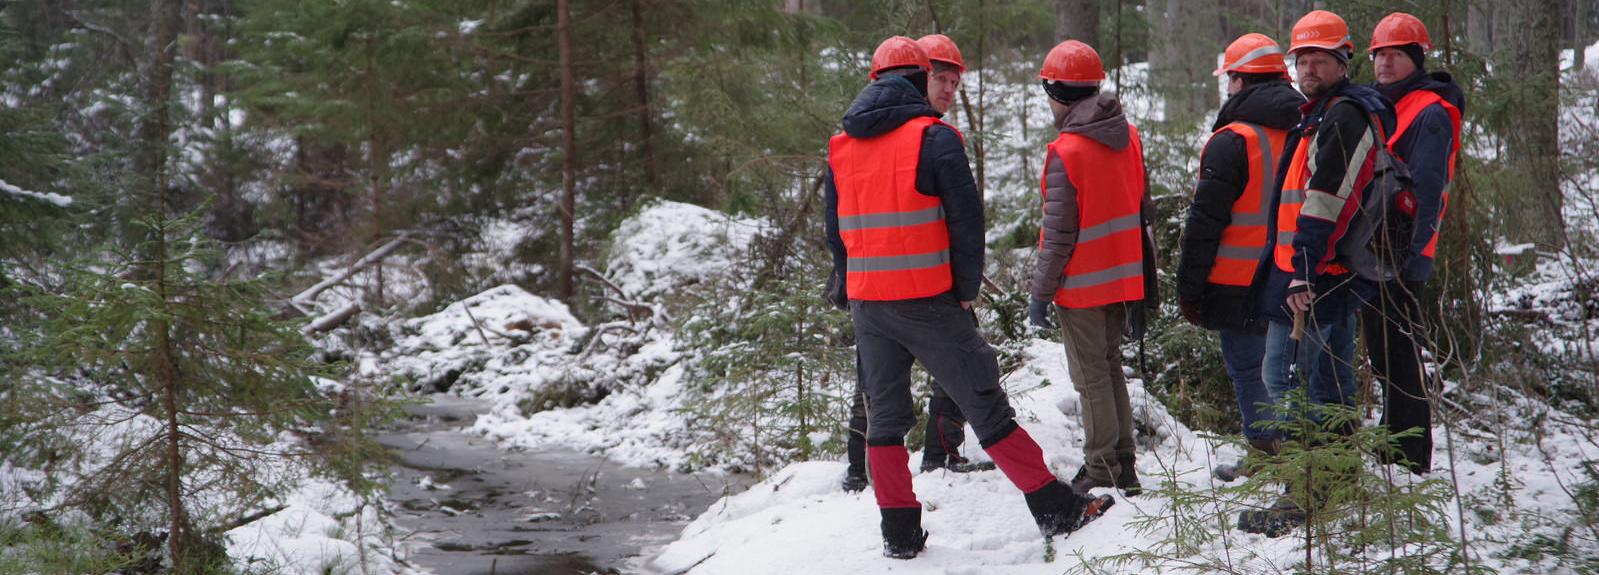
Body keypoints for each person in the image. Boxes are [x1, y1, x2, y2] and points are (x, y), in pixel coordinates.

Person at [826, 36, 1105, 559]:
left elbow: (835, 235)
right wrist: (963, 292)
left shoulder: (842, 146)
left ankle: (901, 536)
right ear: (917, 78)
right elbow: (966, 223)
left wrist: (853, 291)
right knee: (986, 404)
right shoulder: (934, 138)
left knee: (884, 423)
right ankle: (1058, 510)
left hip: (869, 306)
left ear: (874, 81)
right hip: (928, 301)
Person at [1240, 10, 1396, 536]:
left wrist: (1302, 270)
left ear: (1341, 61)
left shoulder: (1343, 116)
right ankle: (1336, 479)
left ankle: (1305, 490)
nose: (1308, 67)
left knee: (1286, 381)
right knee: (1327, 384)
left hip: (1315, 276)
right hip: (1318, 272)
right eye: (1301, 59)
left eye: (1319, 58)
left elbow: (1327, 200)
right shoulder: (1322, 113)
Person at [838, 33, 992, 495]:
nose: (948, 89)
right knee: (880, 382)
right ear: (917, 79)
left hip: (910, 282)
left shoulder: (924, 137)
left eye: (954, 81)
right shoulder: (916, 138)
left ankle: (938, 456)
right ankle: (863, 469)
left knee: (918, 378)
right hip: (906, 287)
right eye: (940, 79)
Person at [1024, 39, 1156, 498]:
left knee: (1090, 378)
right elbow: (1144, 210)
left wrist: (1040, 293)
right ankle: (1124, 463)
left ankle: (1102, 470)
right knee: (1110, 368)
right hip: (1123, 279)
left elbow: (1057, 235)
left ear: (1056, 93)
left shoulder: (1067, 151)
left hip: (1080, 286)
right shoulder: (1129, 135)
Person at [1176, 33, 1306, 482]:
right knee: (1293, 373)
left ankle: (1271, 456)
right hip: (1295, 275)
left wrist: (1189, 290)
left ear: (1239, 81)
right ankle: (1299, 454)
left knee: (1249, 371)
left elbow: (1203, 226)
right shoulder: (1308, 126)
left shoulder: (1231, 141)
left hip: (1237, 282)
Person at [1364, 12, 1463, 476]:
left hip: (1399, 255)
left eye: (1396, 54)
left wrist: (1404, 257)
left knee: (1398, 352)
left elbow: (1424, 190)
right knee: (1384, 352)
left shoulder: (1429, 111)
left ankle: (1408, 452)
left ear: (1416, 59)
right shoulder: (1387, 104)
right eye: (1379, 54)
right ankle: (1393, 436)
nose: (1384, 62)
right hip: (1376, 252)